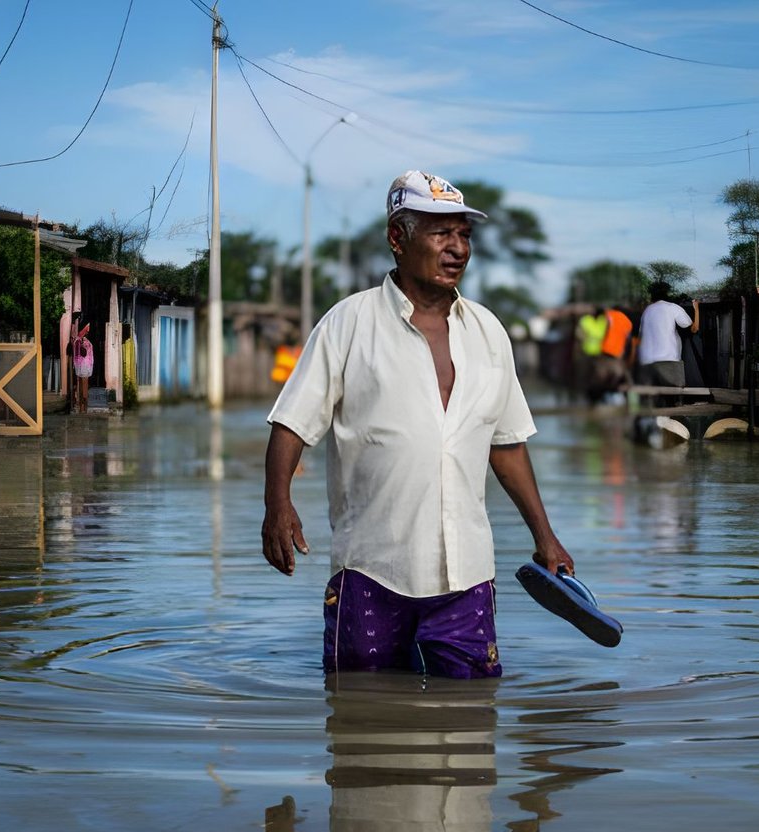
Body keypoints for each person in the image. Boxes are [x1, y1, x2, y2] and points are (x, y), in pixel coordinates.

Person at [261, 169, 573, 679]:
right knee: (359, 716)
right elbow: (291, 424)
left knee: (471, 725)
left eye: (464, 235)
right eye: (440, 233)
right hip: (372, 569)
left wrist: (546, 537)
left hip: (467, 574)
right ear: (397, 239)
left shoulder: (488, 332)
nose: (458, 249)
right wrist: (278, 504)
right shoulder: (348, 323)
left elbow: (508, 445)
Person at [633, 281, 699, 407]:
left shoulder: (647, 311)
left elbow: (640, 336)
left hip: (647, 361)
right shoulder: (672, 307)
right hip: (669, 359)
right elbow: (693, 329)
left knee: (654, 401)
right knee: (675, 398)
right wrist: (696, 308)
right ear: (667, 294)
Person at [70, 314, 93, 414]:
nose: (88, 330)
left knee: (81, 386)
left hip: (82, 366)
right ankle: (82, 406)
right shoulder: (81, 341)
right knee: (83, 386)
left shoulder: (80, 341)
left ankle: (82, 406)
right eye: (87, 328)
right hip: (83, 366)